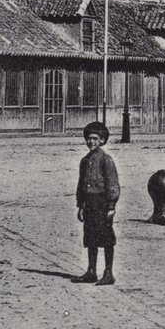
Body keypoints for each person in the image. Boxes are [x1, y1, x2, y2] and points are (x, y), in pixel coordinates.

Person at [73, 122, 119, 286]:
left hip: (103, 203)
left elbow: (113, 184)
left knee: (106, 238)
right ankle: (91, 271)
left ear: (102, 140)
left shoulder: (106, 160)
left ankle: (108, 273)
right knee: (90, 237)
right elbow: (81, 184)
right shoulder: (84, 161)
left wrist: (111, 206)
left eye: (95, 139)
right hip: (89, 204)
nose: (91, 142)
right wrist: (80, 206)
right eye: (89, 139)